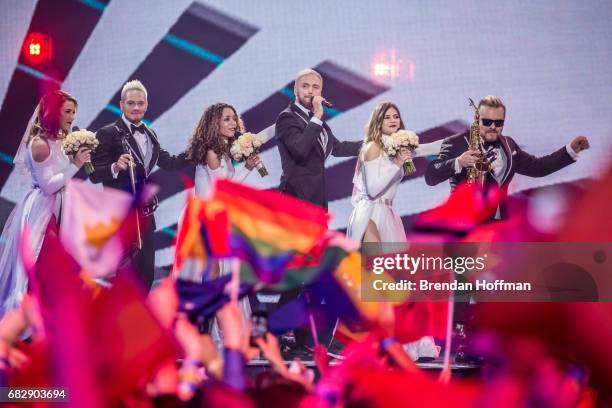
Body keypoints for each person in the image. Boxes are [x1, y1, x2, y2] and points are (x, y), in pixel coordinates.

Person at [346, 101, 441, 360]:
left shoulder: (395, 146)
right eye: (387, 116)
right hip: (371, 216)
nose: (392, 120)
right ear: (378, 121)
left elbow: (424, 149)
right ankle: (372, 340)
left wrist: (457, 143)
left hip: (388, 214)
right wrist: (397, 163)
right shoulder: (372, 147)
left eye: (396, 116)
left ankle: (398, 339)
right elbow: (374, 189)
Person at [90, 80, 189, 290]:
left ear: (146, 105)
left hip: (144, 214)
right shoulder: (108, 133)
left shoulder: (150, 134)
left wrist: (198, 151)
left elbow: (169, 162)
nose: (136, 108)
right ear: (121, 104)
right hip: (120, 214)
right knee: (124, 274)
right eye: (131, 103)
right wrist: (115, 167)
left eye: (140, 103)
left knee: (146, 274)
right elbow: (95, 175)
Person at [0, 90, 90, 317]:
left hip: (60, 208)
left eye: (74, 112)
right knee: (39, 268)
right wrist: (76, 164)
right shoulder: (39, 144)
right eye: (68, 111)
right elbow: (49, 186)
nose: (72, 117)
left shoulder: (60, 140)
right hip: (44, 210)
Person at [425, 95, 590, 219]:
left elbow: (539, 168)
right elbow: (431, 176)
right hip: (462, 223)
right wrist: (458, 162)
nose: (493, 127)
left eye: (498, 123)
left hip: (497, 225)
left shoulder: (509, 145)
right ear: (477, 120)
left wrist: (571, 150)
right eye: (487, 121)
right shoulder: (455, 143)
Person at [177, 103, 261, 340]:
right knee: (212, 278)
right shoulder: (211, 153)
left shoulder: (224, 151)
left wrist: (246, 167)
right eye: (226, 119)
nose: (233, 123)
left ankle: (221, 332)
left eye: (234, 119)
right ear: (214, 123)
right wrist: (246, 168)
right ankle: (207, 335)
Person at [275, 68, 362, 209]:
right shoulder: (287, 117)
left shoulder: (315, 121)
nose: (310, 91)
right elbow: (300, 149)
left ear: (320, 92)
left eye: (315, 87)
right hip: (295, 198)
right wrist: (317, 116)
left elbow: (338, 148)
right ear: (295, 89)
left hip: (317, 198)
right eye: (305, 86)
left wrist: (375, 144)